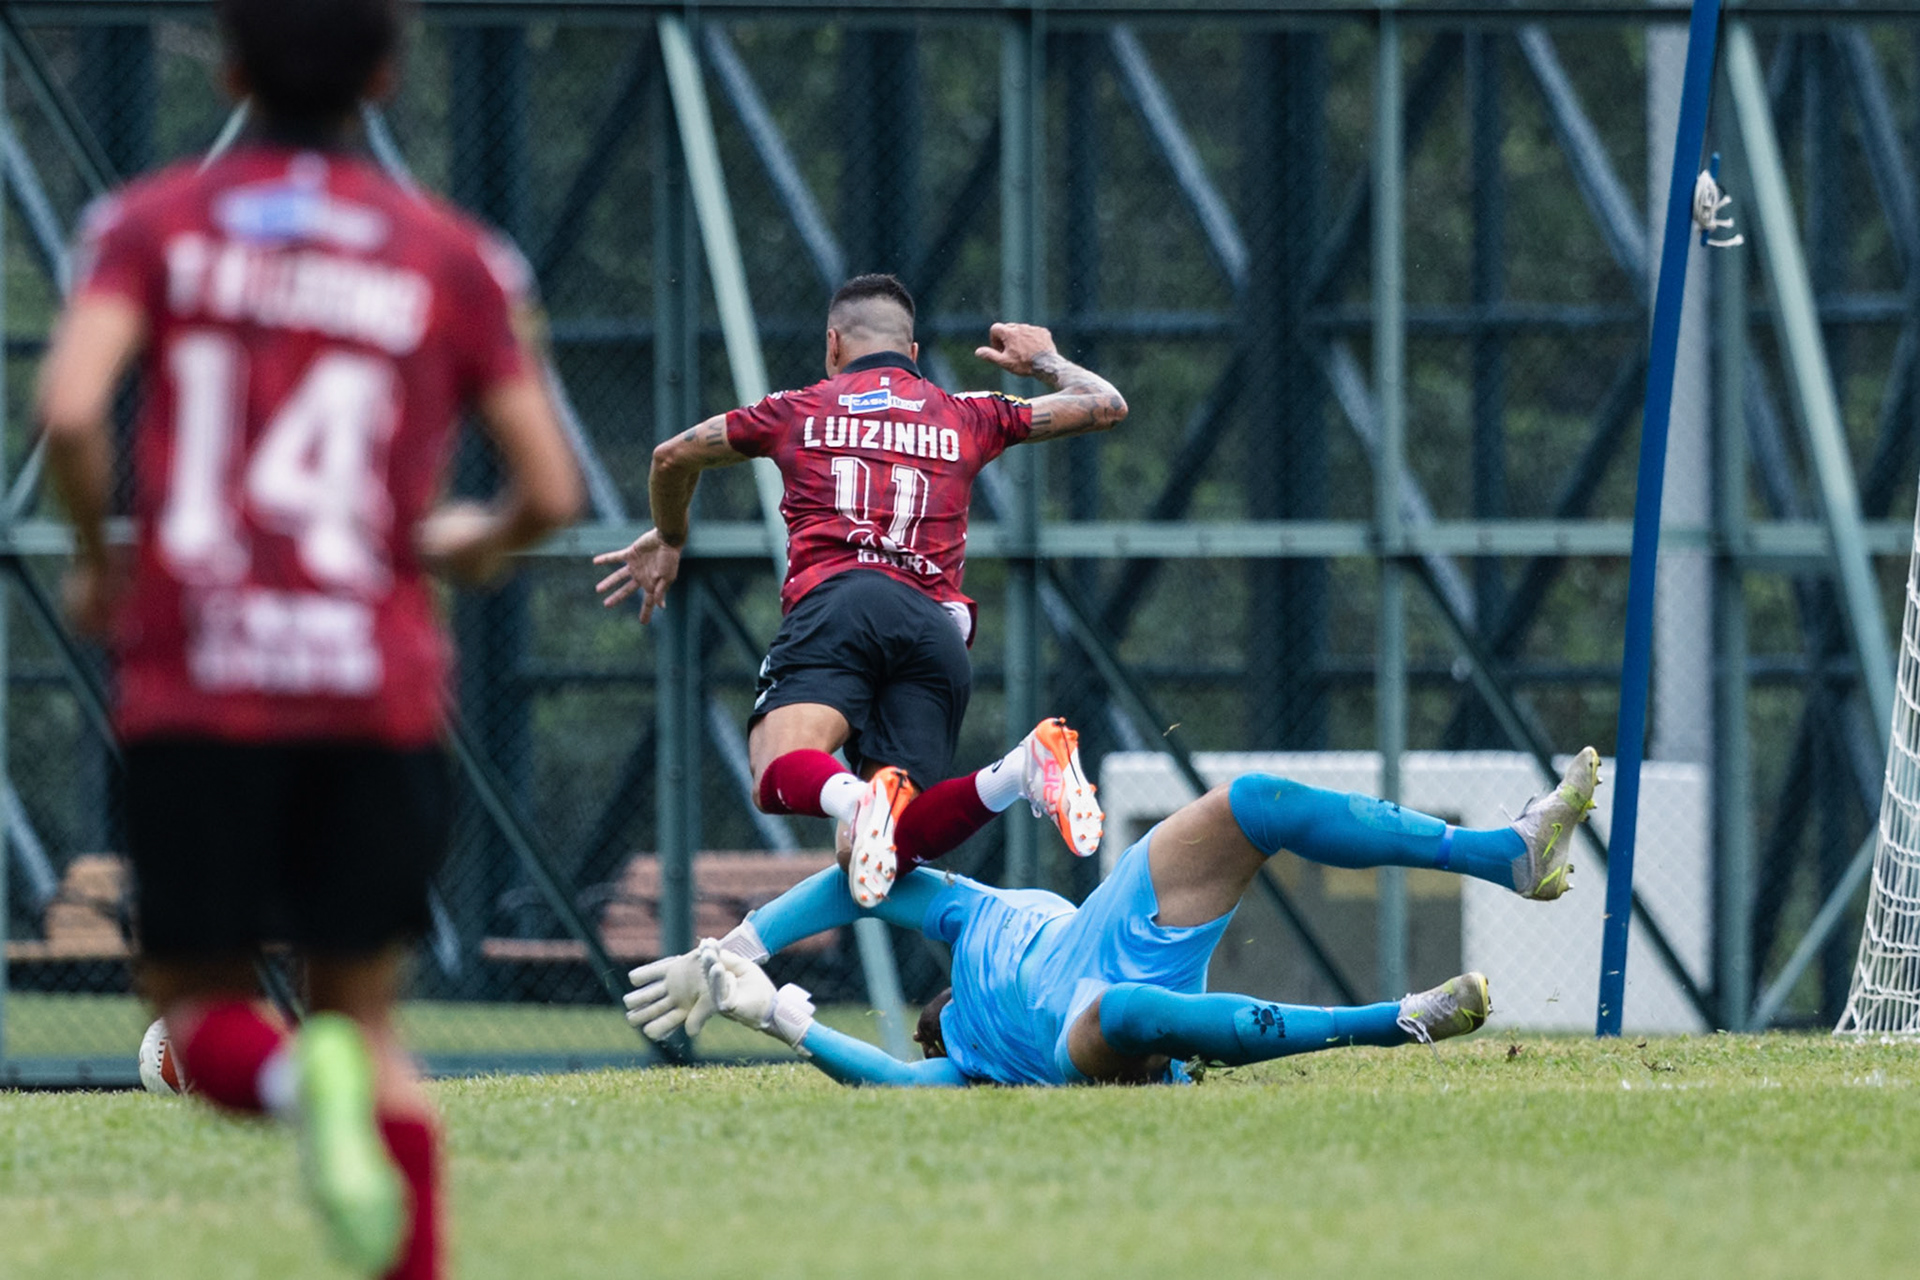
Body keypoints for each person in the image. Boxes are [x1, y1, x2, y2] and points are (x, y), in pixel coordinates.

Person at [38, 1, 582, 1275]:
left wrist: (92, 560)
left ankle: (293, 1092)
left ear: (226, 67)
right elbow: (549, 492)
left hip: (199, 681)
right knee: (371, 1031)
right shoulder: (456, 256)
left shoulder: (149, 225)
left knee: (197, 1008)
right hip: (372, 687)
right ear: (387, 79)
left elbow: (69, 409)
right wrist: (452, 548)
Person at [593, 275, 1124, 906]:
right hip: (936, 632)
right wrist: (1044, 360)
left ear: (832, 344)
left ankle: (861, 796)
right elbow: (1105, 403)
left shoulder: (796, 408)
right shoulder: (968, 413)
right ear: (915, 355)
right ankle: (1021, 771)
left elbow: (670, 457)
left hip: (841, 604)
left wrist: (669, 536)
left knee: (775, 767)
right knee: (872, 854)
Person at [629, 750, 1602, 1086]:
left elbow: (866, 881)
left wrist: (739, 948)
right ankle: (1392, 1021)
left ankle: (1503, 853)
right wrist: (778, 1016)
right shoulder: (972, 1056)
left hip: (1111, 922)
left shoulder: (976, 919)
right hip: (1077, 1027)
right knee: (1128, 1014)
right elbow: (889, 1079)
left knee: (1253, 800)